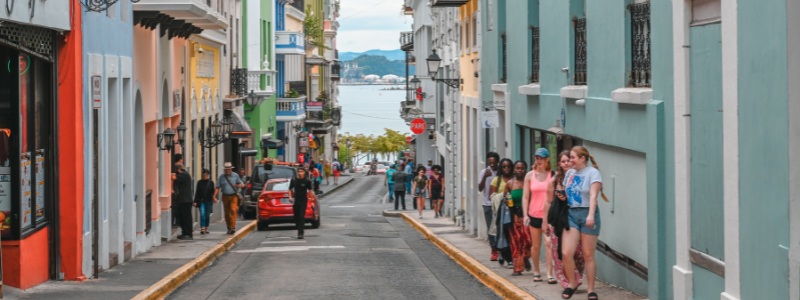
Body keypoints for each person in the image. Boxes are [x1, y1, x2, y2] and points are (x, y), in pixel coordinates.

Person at [559, 146, 608, 300]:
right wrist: (561, 196)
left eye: (572, 157)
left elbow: (593, 196)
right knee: (567, 252)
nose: (570, 161)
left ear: (582, 158)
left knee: (588, 255)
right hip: (572, 214)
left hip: (588, 213)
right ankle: (572, 283)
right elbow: (567, 192)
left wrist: (591, 215)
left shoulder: (593, 173)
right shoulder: (570, 174)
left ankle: (591, 290)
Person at [544, 150, 586, 291]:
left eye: (569, 160)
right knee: (560, 253)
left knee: (578, 253)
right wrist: (545, 222)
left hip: (576, 220)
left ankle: (576, 277)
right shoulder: (554, 181)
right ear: (560, 164)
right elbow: (548, 202)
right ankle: (569, 281)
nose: (567, 163)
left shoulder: (580, 177)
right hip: (559, 223)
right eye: (563, 161)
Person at [522, 148, 556, 284]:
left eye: (542, 158)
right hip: (534, 215)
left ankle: (549, 273)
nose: (539, 160)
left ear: (547, 159)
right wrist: (525, 215)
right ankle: (536, 271)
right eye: (537, 158)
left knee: (549, 244)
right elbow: (525, 197)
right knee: (536, 246)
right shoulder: (529, 175)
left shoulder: (553, 175)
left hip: (549, 216)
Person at [502, 160, 532, 276]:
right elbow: (505, 197)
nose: (520, 170)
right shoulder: (510, 183)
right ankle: (517, 268)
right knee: (515, 242)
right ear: (514, 170)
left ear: (526, 169)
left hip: (527, 216)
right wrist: (506, 200)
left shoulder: (529, 182)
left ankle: (525, 258)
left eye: (522, 168)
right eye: (517, 168)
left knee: (528, 241)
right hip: (514, 216)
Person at [490, 158, 514, 266]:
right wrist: (502, 197)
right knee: (503, 233)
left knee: (512, 234)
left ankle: (513, 256)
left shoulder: (515, 178)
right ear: (501, 168)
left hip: (513, 210)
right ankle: (507, 256)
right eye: (504, 166)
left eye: (508, 166)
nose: (506, 168)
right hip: (501, 210)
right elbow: (492, 196)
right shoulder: (497, 180)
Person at [478, 152, 500, 260]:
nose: (492, 165)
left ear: (497, 162)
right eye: (490, 163)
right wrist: (485, 178)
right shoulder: (484, 172)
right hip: (487, 204)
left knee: (500, 227)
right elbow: (480, 188)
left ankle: (501, 248)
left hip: (499, 204)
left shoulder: (500, 173)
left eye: (494, 163)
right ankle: (494, 250)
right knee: (490, 228)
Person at [214, 162, 245, 235]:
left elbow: (241, 185)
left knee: (233, 210)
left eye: (229, 169)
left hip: (233, 196)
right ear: (224, 169)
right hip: (225, 196)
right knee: (227, 213)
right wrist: (214, 196)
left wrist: (238, 186)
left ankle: (232, 227)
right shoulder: (221, 177)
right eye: (226, 169)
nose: (227, 170)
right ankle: (229, 228)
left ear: (231, 169)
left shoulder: (236, 175)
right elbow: (217, 187)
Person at [288, 168, 313, 239]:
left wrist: (312, 200)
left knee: (301, 216)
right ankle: (298, 227)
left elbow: (310, 191)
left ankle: (300, 233)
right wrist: (290, 196)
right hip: (296, 200)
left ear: (304, 172)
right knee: (296, 216)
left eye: (301, 171)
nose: (300, 173)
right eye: (298, 171)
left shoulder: (307, 181)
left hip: (303, 201)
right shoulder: (294, 180)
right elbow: (290, 189)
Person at [173, 163, 194, 240]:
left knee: (186, 218)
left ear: (179, 169)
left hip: (186, 200)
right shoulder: (183, 175)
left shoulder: (184, 175)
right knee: (182, 218)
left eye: (176, 170)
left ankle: (189, 234)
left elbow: (174, 177)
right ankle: (184, 233)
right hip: (182, 200)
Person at [194, 169, 216, 235]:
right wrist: (195, 201)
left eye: (207, 175)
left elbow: (213, 192)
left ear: (208, 175)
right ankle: (202, 227)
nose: (205, 176)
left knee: (207, 215)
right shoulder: (199, 182)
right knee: (202, 214)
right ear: (202, 175)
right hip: (201, 201)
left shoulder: (211, 182)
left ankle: (206, 227)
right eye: (204, 174)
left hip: (209, 201)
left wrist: (214, 197)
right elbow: (197, 192)